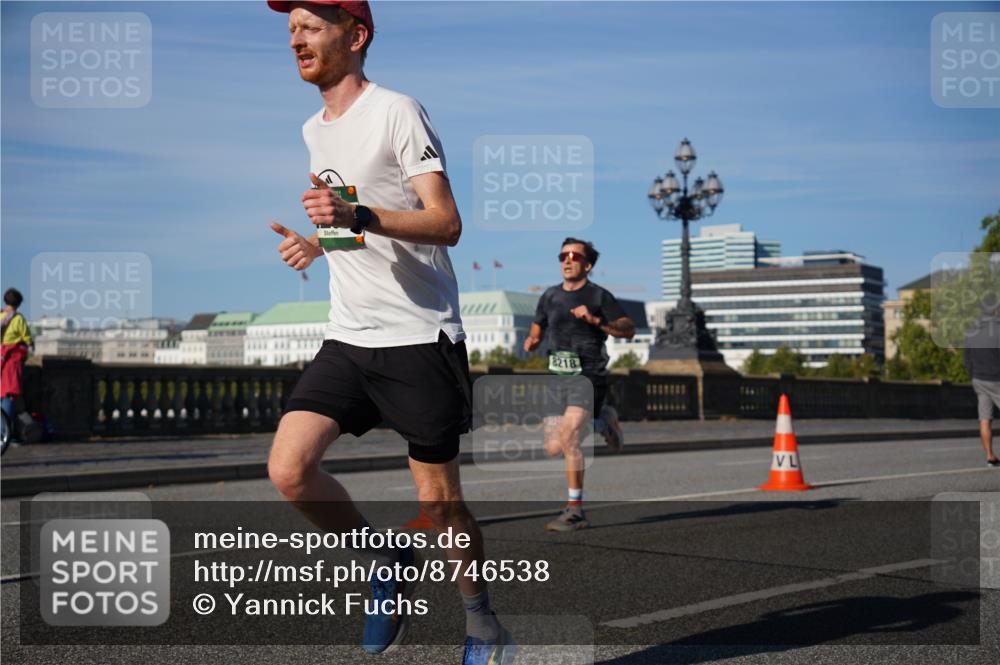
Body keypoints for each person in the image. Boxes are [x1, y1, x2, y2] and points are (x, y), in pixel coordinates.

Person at [264, 2, 515, 662]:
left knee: (440, 505)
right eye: (291, 26)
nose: (296, 36)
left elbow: (445, 222)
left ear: (356, 34)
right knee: (289, 468)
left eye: (312, 24)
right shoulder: (312, 130)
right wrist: (321, 244)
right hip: (349, 334)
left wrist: (358, 212)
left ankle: (482, 621)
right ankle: (385, 556)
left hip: (418, 336)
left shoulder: (398, 110)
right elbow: (351, 220)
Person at [523, 239, 635, 531]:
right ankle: (603, 422)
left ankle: (575, 511)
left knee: (570, 438)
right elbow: (538, 327)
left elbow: (628, 329)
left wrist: (595, 320)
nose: (567, 260)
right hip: (557, 378)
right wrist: (533, 340)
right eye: (563, 256)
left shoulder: (599, 296)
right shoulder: (549, 296)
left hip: (589, 375)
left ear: (587, 265)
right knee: (553, 446)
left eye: (574, 256)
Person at [963, 297, 1000, 467]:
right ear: (995, 311)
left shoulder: (972, 331)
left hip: (979, 379)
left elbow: (967, 360)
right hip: (996, 378)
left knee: (985, 419)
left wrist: (974, 375)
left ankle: (990, 456)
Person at [2, 288, 33, 439]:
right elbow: (27, 339)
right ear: (19, 304)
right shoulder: (18, 319)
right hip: (10, 361)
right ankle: (4, 433)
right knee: (8, 396)